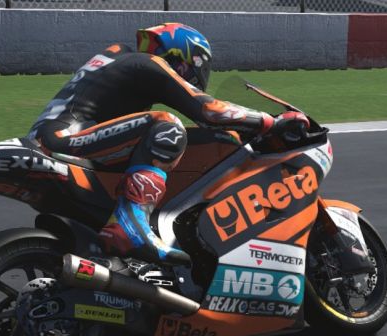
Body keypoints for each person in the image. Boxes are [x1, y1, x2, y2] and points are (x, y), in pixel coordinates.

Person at [28, 23, 309, 266]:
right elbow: (210, 111)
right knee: (167, 127)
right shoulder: (146, 63)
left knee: (161, 138)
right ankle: (130, 225)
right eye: (200, 65)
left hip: (58, 140)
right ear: (186, 59)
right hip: (64, 141)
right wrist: (270, 122)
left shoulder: (122, 63)